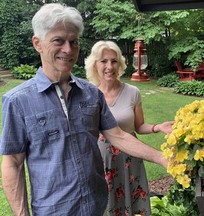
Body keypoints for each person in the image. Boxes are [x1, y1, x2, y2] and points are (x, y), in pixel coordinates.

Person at [0, 3, 168, 216]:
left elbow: (119, 136)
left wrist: (162, 158)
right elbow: (12, 164)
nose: (68, 50)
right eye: (58, 41)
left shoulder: (91, 93)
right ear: (37, 43)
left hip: (97, 206)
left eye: (74, 42)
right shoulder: (18, 101)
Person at [85, 40, 173, 216]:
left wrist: (158, 127)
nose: (109, 66)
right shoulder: (88, 93)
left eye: (114, 61)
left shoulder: (133, 92)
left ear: (120, 64)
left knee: (132, 203)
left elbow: (139, 126)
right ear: (95, 64)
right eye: (104, 61)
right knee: (105, 203)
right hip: (102, 159)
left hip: (131, 158)